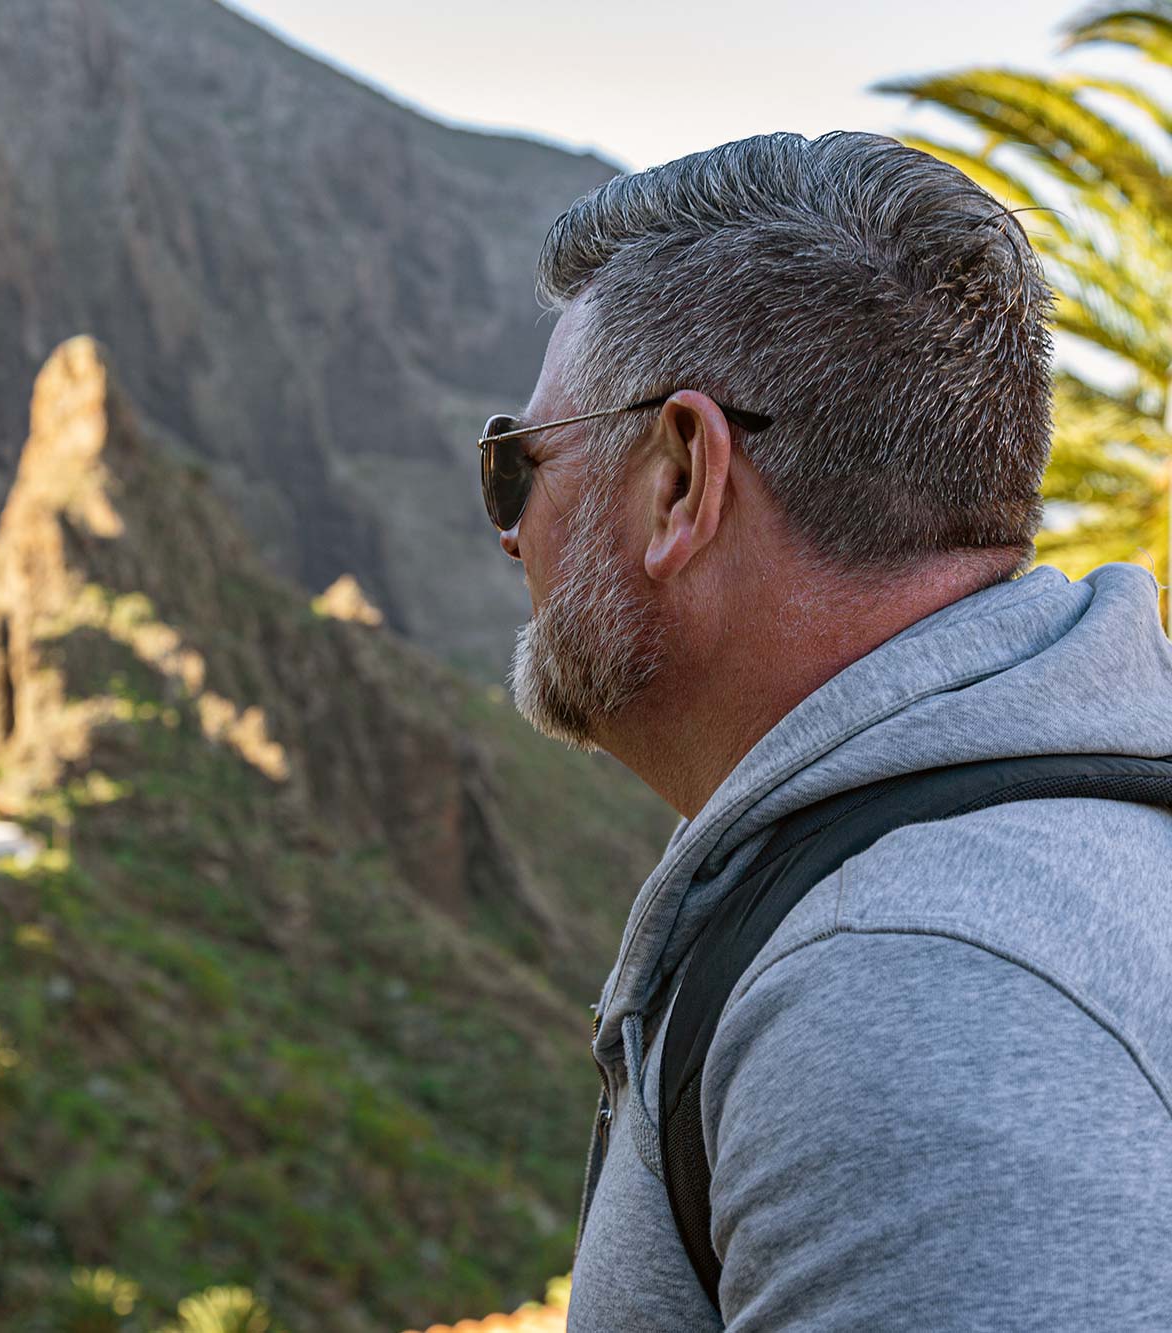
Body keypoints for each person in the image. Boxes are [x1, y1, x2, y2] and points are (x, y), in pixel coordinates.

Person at [485, 130, 1172, 1329]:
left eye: (517, 467)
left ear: (681, 479)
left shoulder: (908, 987)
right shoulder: (1032, 857)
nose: (507, 533)